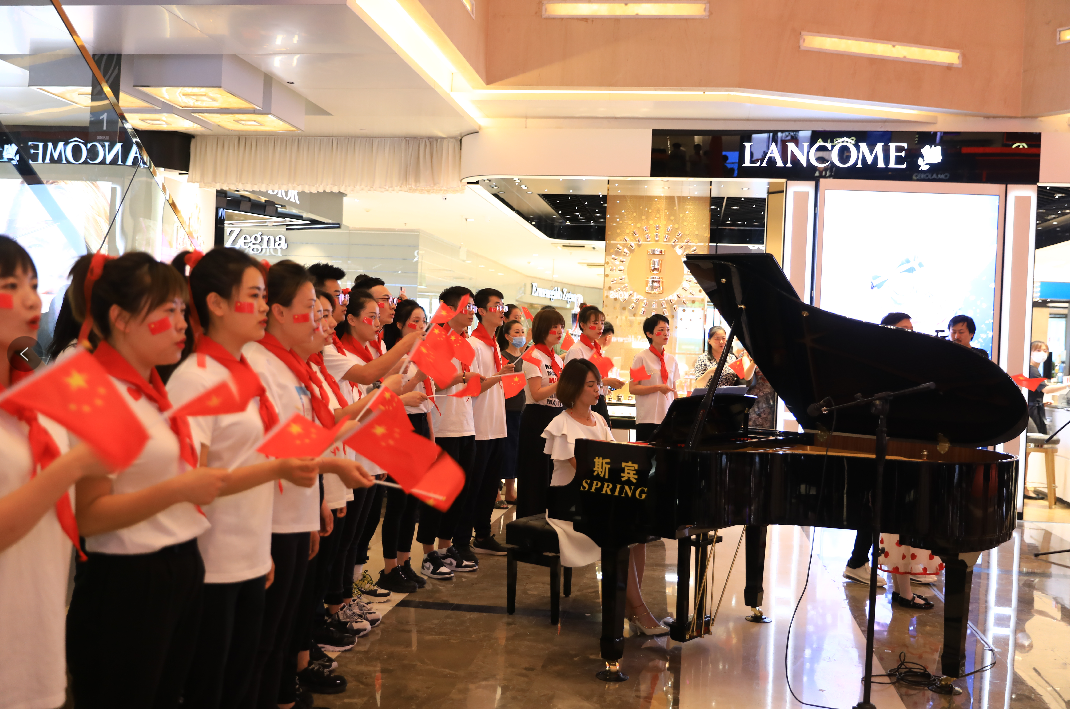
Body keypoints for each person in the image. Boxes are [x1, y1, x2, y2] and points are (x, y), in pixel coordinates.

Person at [64, 251, 231, 709]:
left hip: (178, 565)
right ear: (120, 318)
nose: (181, 324)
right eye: (166, 311)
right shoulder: (100, 393)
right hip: (129, 580)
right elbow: (88, 516)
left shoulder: (151, 392)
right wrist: (178, 489)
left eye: (181, 310)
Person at [169, 248, 323, 709]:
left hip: (249, 552)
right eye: (253, 296)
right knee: (213, 685)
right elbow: (194, 483)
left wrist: (259, 550)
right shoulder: (197, 379)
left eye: (263, 296)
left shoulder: (238, 374)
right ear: (216, 303)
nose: (263, 306)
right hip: (213, 560)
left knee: (247, 674)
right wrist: (280, 470)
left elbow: (254, 455)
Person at [239, 260, 373, 709]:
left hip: (295, 511)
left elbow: (300, 440)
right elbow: (271, 451)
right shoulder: (259, 365)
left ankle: (283, 692)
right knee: (261, 641)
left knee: (282, 627)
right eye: (312, 309)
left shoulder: (290, 368)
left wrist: (317, 499)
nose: (323, 320)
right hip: (269, 520)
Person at [0, 236, 112, 709]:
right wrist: (75, 464)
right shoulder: (69, 363)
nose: (32, 299)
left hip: (39, 636)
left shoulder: (37, 383)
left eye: (33, 283)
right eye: (11, 285)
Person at [542, 359, 668, 635]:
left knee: (639, 534)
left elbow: (614, 458)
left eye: (598, 384)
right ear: (574, 388)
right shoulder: (561, 424)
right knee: (623, 533)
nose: (597, 389)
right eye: (591, 385)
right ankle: (638, 609)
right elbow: (585, 471)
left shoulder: (598, 420)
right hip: (570, 506)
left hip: (597, 499)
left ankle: (630, 604)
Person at [417, 286, 483, 577]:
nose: (471, 313)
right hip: (442, 426)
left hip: (465, 424)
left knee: (459, 492)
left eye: (472, 308)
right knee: (437, 494)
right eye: (467, 307)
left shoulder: (464, 342)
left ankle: (446, 548)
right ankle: (428, 553)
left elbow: (469, 385)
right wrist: (460, 378)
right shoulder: (434, 339)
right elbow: (430, 383)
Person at [375, 298, 437, 593]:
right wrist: (418, 377)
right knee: (398, 502)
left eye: (423, 321)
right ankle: (389, 568)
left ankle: (404, 561)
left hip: (420, 425)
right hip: (400, 426)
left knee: (413, 503)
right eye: (415, 321)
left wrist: (431, 437)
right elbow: (389, 395)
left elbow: (426, 402)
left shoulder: (422, 353)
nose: (420, 326)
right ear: (399, 325)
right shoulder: (392, 356)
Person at [467, 288, 517, 556]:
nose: (501, 311)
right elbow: (473, 388)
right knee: (475, 487)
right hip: (479, 426)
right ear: (482, 311)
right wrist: (500, 375)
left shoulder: (493, 344)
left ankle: (484, 534)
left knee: (489, 487)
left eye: (503, 305)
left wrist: (502, 377)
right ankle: (464, 538)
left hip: (496, 425)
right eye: (496, 306)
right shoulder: (474, 344)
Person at [515, 308, 566, 518]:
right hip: (537, 419)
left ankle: (548, 521)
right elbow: (536, 394)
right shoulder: (533, 356)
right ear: (542, 329)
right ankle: (528, 523)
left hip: (557, 417)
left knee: (552, 474)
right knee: (534, 475)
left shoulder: (557, 360)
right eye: (554, 326)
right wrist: (562, 383)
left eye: (561, 326)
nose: (559, 331)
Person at [565, 305, 624, 421]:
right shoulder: (577, 350)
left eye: (602, 323)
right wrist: (606, 382)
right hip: (583, 403)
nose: (600, 327)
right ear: (583, 325)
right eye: (595, 323)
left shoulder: (597, 350)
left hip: (599, 401)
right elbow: (575, 381)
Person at [630, 314, 680, 442]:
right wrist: (657, 388)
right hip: (647, 418)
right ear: (649, 334)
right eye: (661, 330)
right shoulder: (641, 357)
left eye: (668, 330)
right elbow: (633, 388)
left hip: (667, 418)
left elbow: (674, 391)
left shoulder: (672, 360)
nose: (666, 333)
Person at [497, 319, 526, 506]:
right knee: (503, 452)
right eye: (516, 332)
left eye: (522, 332)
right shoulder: (502, 357)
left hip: (521, 410)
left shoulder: (525, 358)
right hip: (505, 410)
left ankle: (510, 491)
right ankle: (496, 494)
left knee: (515, 452)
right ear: (507, 336)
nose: (520, 336)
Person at [1026, 340, 1070, 434]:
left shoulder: (1032, 370)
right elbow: (1046, 389)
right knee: (1037, 437)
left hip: (1034, 407)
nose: (1042, 353)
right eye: (1038, 350)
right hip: (1033, 411)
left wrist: (1041, 402)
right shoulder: (1032, 370)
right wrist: (1067, 385)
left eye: (1045, 351)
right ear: (1029, 352)